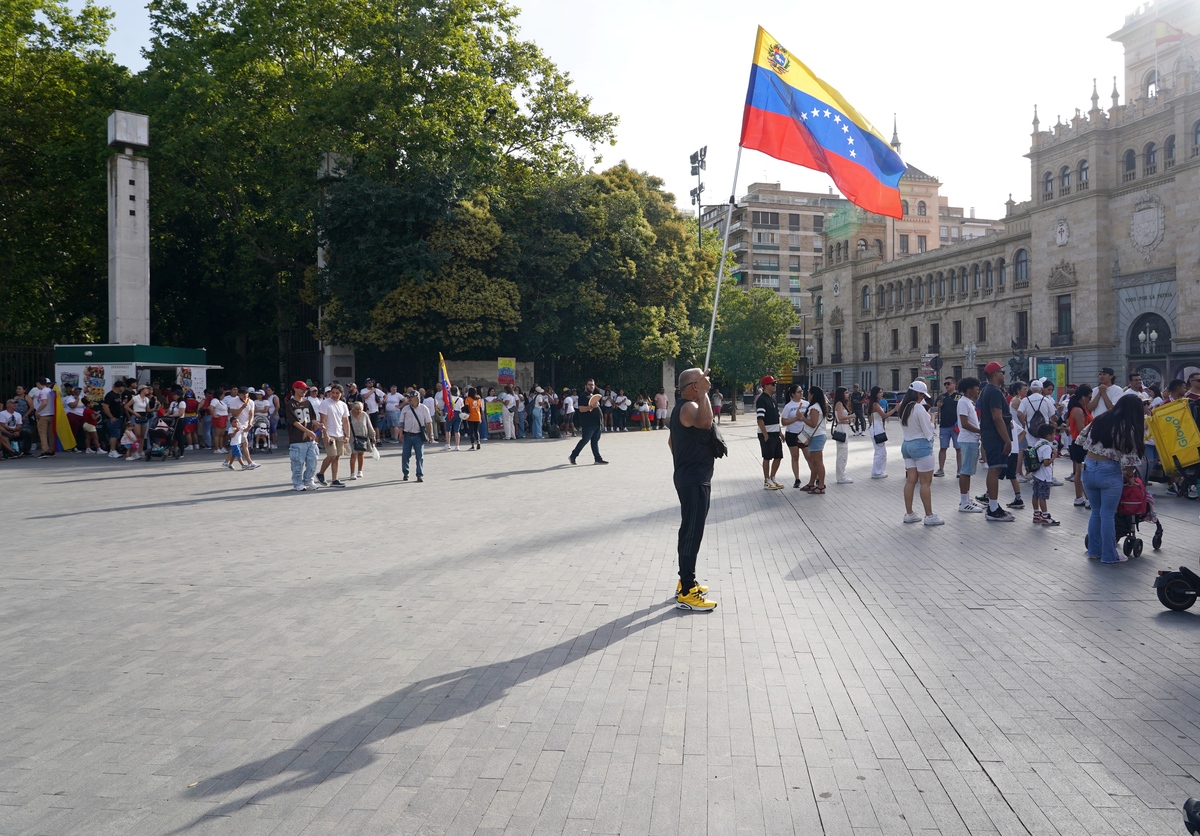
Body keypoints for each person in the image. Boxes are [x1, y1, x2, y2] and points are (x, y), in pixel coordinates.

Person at [669, 367, 719, 612]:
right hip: (693, 479)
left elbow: (671, 441)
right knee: (691, 532)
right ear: (692, 386)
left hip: (691, 477)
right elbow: (706, 422)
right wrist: (705, 393)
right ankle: (687, 591)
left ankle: (685, 581)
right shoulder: (689, 406)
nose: (706, 382)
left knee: (690, 530)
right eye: (701, 380)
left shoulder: (682, 407)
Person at [1079, 394, 1145, 562]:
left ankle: (1094, 550)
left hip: (1088, 467)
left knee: (1096, 512)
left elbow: (1081, 439)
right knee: (1108, 513)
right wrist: (1130, 476)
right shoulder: (1127, 427)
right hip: (1108, 470)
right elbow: (1129, 458)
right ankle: (1109, 555)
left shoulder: (1101, 419)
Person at [898, 381, 943, 526]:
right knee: (925, 482)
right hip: (920, 446)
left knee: (911, 480)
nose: (923, 397)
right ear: (918, 394)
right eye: (922, 394)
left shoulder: (904, 408)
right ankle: (929, 516)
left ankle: (909, 513)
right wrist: (933, 417)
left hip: (907, 445)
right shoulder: (918, 408)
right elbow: (928, 429)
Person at [979, 362, 1016, 521]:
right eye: (1002, 371)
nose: (1003, 374)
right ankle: (993, 509)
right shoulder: (994, 392)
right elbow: (997, 417)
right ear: (995, 374)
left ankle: (993, 505)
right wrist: (1007, 440)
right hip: (996, 437)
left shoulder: (988, 391)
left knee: (996, 469)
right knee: (995, 469)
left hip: (992, 436)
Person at [954, 377, 985, 513]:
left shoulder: (969, 402)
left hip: (971, 440)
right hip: (967, 440)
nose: (978, 389)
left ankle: (967, 498)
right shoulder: (963, 402)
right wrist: (981, 431)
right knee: (965, 472)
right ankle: (964, 502)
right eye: (976, 387)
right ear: (969, 388)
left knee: (968, 471)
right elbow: (965, 423)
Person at [284, 380, 322, 491]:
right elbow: (294, 422)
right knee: (297, 463)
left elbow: (312, 418)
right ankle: (297, 483)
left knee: (313, 460)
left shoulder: (307, 402)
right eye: (301, 389)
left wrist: (318, 425)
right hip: (297, 439)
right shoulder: (290, 404)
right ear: (295, 389)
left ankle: (308, 480)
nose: (304, 391)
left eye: (305, 389)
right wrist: (307, 431)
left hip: (309, 439)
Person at [316, 383, 350, 487]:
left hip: (339, 433)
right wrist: (325, 435)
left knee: (337, 457)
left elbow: (345, 421)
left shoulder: (343, 405)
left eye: (337, 393)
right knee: (332, 455)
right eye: (332, 392)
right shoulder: (325, 403)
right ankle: (320, 473)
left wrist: (347, 435)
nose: (334, 395)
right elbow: (323, 420)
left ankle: (335, 479)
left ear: (342, 394)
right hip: (329, 433)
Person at [1027, 423, 1060, 525]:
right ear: (1048, 436)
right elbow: (1046, 463)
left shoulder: (1038, 444)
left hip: (1036, 474)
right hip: (1044, 476)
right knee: (1043, 497)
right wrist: (1054, 456)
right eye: (1053, 434)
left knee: (1035, 495)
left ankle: (1036, 514)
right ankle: (1045, 516)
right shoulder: (1046, 447)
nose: (1054, 436)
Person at [1067, 384, 1093, 508]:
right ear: (1083, 397)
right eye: (1089, 397)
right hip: (1081, 443)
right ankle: (1087, 497)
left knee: (1079, 471)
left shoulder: (1082, 408)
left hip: (1079, 443)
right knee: (1083, 472)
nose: (1090, 400)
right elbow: (1082, 429)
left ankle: (1079, 497)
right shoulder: (1078, 410)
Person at [569, 379, 608, 465]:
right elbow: (581, 409)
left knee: (595, 441)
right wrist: (591, 406)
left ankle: (597, 459)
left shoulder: (592, 396)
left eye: (593, 385)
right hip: (588, 423)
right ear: (585, 386)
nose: (591, 386)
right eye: (590, 385)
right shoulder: (583, 396)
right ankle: (573, 455)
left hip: (597, 423)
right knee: (585, 440)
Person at [756, 376, 784, 489]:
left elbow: (776, 418)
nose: (774, 386)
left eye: (775, 384)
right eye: (772, 384)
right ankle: (767, 480)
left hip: (775, 433)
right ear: (766, 386)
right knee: (767, 457)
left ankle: (773, 478)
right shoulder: (762, 399)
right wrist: (765, 434)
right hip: (767, 433)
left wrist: (780, 432)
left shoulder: (773, 399)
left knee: (778, 456)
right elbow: (760, 419)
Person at [398, 390, 433, 482]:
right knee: (405, 455)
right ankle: (406, 473)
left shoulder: (424, 408)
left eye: (411, 398)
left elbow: (429, 423)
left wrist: (431, 434)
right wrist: (400, 433)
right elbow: (401, 423)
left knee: (419, 456)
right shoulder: (406, 409)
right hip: (407, 435)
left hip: (418, 436)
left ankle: (419, 475)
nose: (409, 400)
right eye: (408, 398)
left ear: (417, 399)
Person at [801, 385, 829, 494]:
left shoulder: (815, 408)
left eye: (809, 393)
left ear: (812, 395)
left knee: (818, 462)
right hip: (816, 436)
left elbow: (813, 424)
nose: (808, 395)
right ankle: (811, 483)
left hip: (816, 436)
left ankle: (821, 486)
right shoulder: (817, 406)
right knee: (814, 462)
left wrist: (802, 418)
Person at [780, 384, 808, 489]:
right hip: (792, 433)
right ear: (793, 394)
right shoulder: (788, 406)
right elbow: (783, 422)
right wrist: (796, 418)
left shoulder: (806, 404)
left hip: (804, 433)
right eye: (798, 392)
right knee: (795, 456)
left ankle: (816, 477)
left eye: (802, 391)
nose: (801, 393)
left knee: (808, 456)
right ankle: (797, 478)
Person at [933, 377, 960, 477]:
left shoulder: (958, 397)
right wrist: (938, 406)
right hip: (944, 426)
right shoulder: (941, 397)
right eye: (945, 384)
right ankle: (941, 469)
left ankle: (959, 470)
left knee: (958, 448)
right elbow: (933, 411)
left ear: (954, 384)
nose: (946, 386)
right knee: (943, 448)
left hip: (956, 426)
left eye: (948, 383)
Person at [347, 400, 377, 480]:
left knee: (361, 454)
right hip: (353, 438)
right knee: (353, 454)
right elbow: (345, 426)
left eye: (360, 409)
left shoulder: (364, 415)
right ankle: (352, 473)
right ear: (353, 409)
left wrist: (372, 436)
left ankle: (360, 471)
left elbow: (369, 425)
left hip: (363, 437)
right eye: (357, 409)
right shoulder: (348, 415)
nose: (359, 411)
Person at [867, 386, 892, 479]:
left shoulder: (873, 404)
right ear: (876, 394)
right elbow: (884, 415)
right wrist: (895, 409)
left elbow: (870, 418)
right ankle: (877, 472)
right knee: (880, 451)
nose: (882, 394)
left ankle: (877, 470)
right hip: (877, 427)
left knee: (880, 451)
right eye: (880, 392)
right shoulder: (875, 404)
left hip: (876, 426)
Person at [831, 387, 854, 484]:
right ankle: (841, 476)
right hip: (841, 428)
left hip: (844, 427)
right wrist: (851, 416)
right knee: (842, 453)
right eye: (846, 393)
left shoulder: (842, 404)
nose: (848, 394)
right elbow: (840, 417)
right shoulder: (839, 404)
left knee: (844, 452)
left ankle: (842, 474)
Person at [101, 380, 126, 458]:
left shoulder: (118, 395)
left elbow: (116, 405)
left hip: (118, 418)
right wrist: (111, 417)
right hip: (112, 418)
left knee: (116, 434)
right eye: (123, 387)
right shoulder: (110, 395)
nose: (123, 388)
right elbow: (105, 406)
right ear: (119, 387)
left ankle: (114, 450)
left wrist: (123, 403)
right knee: (114, 434)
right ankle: (112, 451)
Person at [32, 378, 56, 457]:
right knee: (50, 434)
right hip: (51, 414)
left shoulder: (43, 391)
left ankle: (44, 450)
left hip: (43, 414)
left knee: (42, 433)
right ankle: (51, 450)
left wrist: (37, 411)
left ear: (38, 383)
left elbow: (44, 402)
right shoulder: (51, 391)